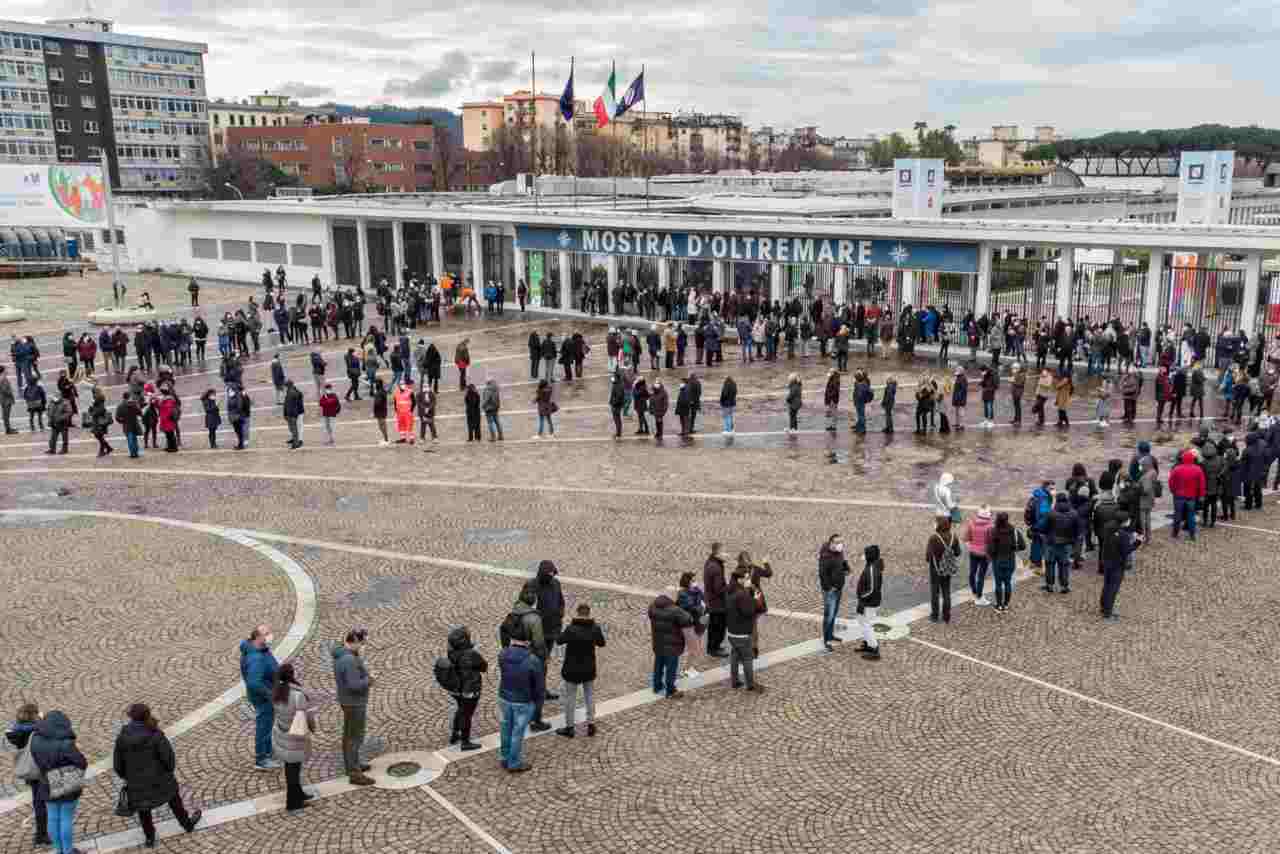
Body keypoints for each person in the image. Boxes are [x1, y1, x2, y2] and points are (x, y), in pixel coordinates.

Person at [114, 703, 203, 844]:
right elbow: (169, 759)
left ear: (131, 717)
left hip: (136, 783)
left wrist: (129, 777)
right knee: (175, 802)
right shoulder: (155, 735)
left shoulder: (122, 739)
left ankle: (150, 838)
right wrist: (167, 772)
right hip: (161, 779)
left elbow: (118, 765)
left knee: (143, 810)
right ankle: (187, 824)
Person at [28, 710, 87, 854]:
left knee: (53, 818)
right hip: (67, 781)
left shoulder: (35, 739)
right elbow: (82, 763)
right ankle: (68, 851)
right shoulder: (66, 743)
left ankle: (58, 850)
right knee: (66, 818)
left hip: (46, 781)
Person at [497, 623, 543, 772]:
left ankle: (504, 757)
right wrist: (537, 704)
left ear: (512, 639)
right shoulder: (533, 660)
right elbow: (538, 687)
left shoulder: (502, 654)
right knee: (517, 732)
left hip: (504, 697)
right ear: (528, 641)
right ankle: (514, 762)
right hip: (523, 701)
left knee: (505, 728)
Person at [333, 628, 376, 785]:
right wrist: (369, 680)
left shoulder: (344, 654)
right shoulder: (349, 660)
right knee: (354, 737)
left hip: (349, 701)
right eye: (363, 643)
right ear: (356, 642)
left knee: (350, 736)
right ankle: (354, 773)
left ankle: (353, 764)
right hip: (354, 702)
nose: (364, 646)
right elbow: (353, 684)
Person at [555, 603, 606, 736]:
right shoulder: (595, 628)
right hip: (588, 668)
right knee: (589, 695)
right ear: (589, 613)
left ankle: (570, 727)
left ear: (577, 613)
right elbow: (602, 643)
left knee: (570, 698)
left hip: (571, 669)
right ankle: (591, 724)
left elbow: (559, 640)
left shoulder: (571, 629)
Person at [6, 703, 49, 847]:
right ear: (33, 715)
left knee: (38, 802)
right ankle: (42, 834)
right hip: (40, 769)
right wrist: (42, 720)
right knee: (43, 802)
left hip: (29, 770)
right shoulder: (35, 729)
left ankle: (41, 833)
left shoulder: (16, 731)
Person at [444, 627, 487, 750]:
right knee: (466, 715)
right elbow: (483, 666)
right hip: (470, 689)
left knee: (461, 709)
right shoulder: (471, 654)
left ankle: (455, 734)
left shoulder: (451, 653)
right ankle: (465, 741)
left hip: (456, 689)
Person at [725, 568, 759, 690]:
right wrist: (754, 599)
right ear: (740, 580)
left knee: (734, 655)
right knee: (747, 659)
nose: (748, 580)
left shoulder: (730, 590)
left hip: (731, 632)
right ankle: (750, 684)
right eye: (746, 578)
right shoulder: (742, 594)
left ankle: (735, 681)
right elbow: (749, 612)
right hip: (742, 634)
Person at [1043, 492, 1081, 594]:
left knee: (1050, 564)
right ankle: (1064, 586)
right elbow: (1077, 530)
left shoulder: (1051, 513)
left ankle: (1049, 585)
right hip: (1066, 544)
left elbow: (1044, 528)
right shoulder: (1074, 513)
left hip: (1052, 543)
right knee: (1064, 565)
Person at [1100, 524, 1140, 621]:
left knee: (1107, 585)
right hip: (1117, 565)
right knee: (1113, 588)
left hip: (1107, 562)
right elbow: (1126, 550)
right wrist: (1138, 542)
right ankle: (1108, 612)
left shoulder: (1108, 531)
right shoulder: (1124, 536)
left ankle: (1104, 606)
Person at [926, 517, 962, 623]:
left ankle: (935, 615)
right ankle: (947, 615)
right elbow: (957, 552)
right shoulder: (953, 537)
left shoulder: (934, 537)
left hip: (935, 568)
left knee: (935, 592)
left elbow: (928, 556)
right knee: (946, 591)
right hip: (947, 568)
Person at [988, 512, 1025, 613]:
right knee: (1008, 582)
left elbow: (991, 550)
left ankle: (999, 605)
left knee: (998, 584)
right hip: (1010, 560)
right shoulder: (1014, 531)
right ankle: (1006, 604)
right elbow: (1023, 546)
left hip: (998, 561)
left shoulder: (994, 531)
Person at [818, 534, 850, 651]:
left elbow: (843, 561)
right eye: (837, 542)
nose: (840, 544)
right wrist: (828, 588)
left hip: (838, 587)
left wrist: (846, 568)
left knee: (834, 613)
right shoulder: (826, 557)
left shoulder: (839, 552)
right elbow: (822, 574)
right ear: (831, 543)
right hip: (831, 591)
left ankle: (831, 635)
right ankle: (826, 640)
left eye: (841, 542)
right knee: (829, 615)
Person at [1168, 449, 1206, 539]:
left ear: (1182, 459)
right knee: (1191, 516)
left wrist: (1173, 491)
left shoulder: (1177, 469)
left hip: (1179, 496)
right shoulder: (1198, 469)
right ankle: (1192, 535)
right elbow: (1202, 484)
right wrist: (1201, 495)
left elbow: (1171, 482)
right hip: (1191, 497)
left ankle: (1175, 533)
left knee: (1177, 515)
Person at [855, 545, 884, 660]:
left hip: (869, 603)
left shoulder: (872, 569)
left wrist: (862, 597)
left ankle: (874, 648)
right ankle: (868, 644)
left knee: (867, 624)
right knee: (862, 621)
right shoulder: (873, 566)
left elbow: (872, 589)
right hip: (867, 602)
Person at [964, 506, 994, 606]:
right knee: (981, 576)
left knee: (972, 572)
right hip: (984, 554)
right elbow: (991, 542)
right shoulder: (990, 526)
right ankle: (979, 597)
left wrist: (971, 547)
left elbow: (966, 538)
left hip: (973, 552)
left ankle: (974, 591)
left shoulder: (971, 523)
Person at [703, 542, 729, 657]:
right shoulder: (716, 568)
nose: (726, 554)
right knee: (718, 626)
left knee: (715, 626)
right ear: (717, 553)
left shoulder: (712, 563)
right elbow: (719, 589)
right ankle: (714, 648)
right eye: (723, 552)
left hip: (712, 601)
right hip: (717, 604)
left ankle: (713, 646)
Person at [282, 380, 305, 449]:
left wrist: (293, 415)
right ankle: (295, 440)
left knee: (297, 428)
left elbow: (294, 405)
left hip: (295, 413)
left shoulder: (294, 393)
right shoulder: (291, 392)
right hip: (293, 413)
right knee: (293, 428)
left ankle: (298, 441)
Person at [393, 379, 415, 444]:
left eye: (403, 384)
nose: (402, 385)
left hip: (407, 412)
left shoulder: (410, 392)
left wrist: (411, 410)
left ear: (405, 385)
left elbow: (414, 402)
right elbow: (395, 402)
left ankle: (411, 438)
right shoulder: (396, 392)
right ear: (399, 386)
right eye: (401, 384)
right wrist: (396, 410)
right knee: (401, 426)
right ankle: (403, 438)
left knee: (409, 425)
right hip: (399, 412)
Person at [0, 365, 16, 434]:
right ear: (3, 371)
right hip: (6, 399)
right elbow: (4, 389)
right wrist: (11, 393)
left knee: (6, 415)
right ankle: (8, 429)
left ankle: (8, 428)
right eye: (5, 370)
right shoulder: (3, 379)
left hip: (3, 399)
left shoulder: (2, 378)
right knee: (6, 415)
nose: (7, 371)